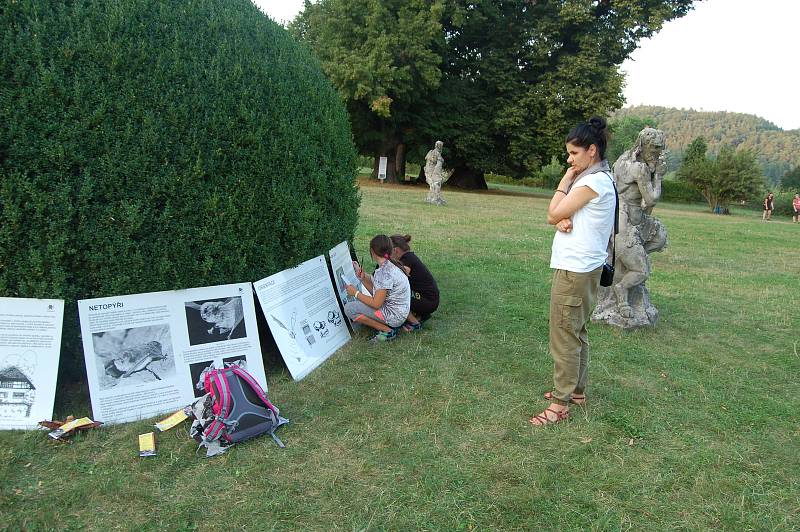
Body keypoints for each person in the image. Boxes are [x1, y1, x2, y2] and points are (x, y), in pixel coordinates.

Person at [529, 117, 616, 427]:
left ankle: (560, 404)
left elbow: (553, 211)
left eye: (573, 154)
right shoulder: (601, 178)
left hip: (575, 270)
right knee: (576, 332)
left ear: (591, 150)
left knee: (564, 335)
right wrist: (563, 218)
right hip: (586, 268)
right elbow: (564, 216)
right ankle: (576, 392)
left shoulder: (591, 181)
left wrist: (564, 182)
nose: (569, 160)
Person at [343, 235, 411, 342]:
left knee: (350, 308)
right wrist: (363, 278)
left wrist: (355, 293)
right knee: (360, 304)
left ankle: (387, 331)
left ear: (372, 252)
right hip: (400, 313)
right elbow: (377, 293)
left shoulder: (383, 272)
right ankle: (389, 327)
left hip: (393, 317)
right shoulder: (390, 264)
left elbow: (376, 303)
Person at [390, 234, 439, 330]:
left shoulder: (407, 259)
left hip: (427, 301)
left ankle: (415, 323)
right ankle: (420, 315)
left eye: (388, 252)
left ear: (395, 250)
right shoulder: (409, 257)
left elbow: (400, 277)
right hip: (430, 299)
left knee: (395, 294)